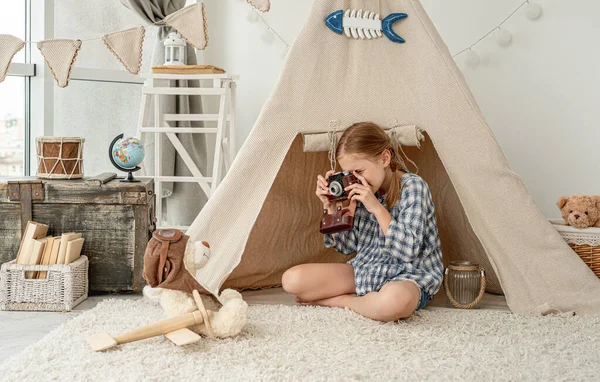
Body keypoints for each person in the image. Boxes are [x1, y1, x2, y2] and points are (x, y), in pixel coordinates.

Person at [282, 121, 444, 322]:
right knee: (292, 280)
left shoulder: (413, 187)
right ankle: (366, 302)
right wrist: (332, 209)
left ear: (385, 158)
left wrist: (375, 206)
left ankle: (342, 301)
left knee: (394, 302)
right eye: (349, 174)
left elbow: (407, 252)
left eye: (360, 171)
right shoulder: (357, 190)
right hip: (367, 269)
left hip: (409, 276)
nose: (355, 180)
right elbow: (346, 246)